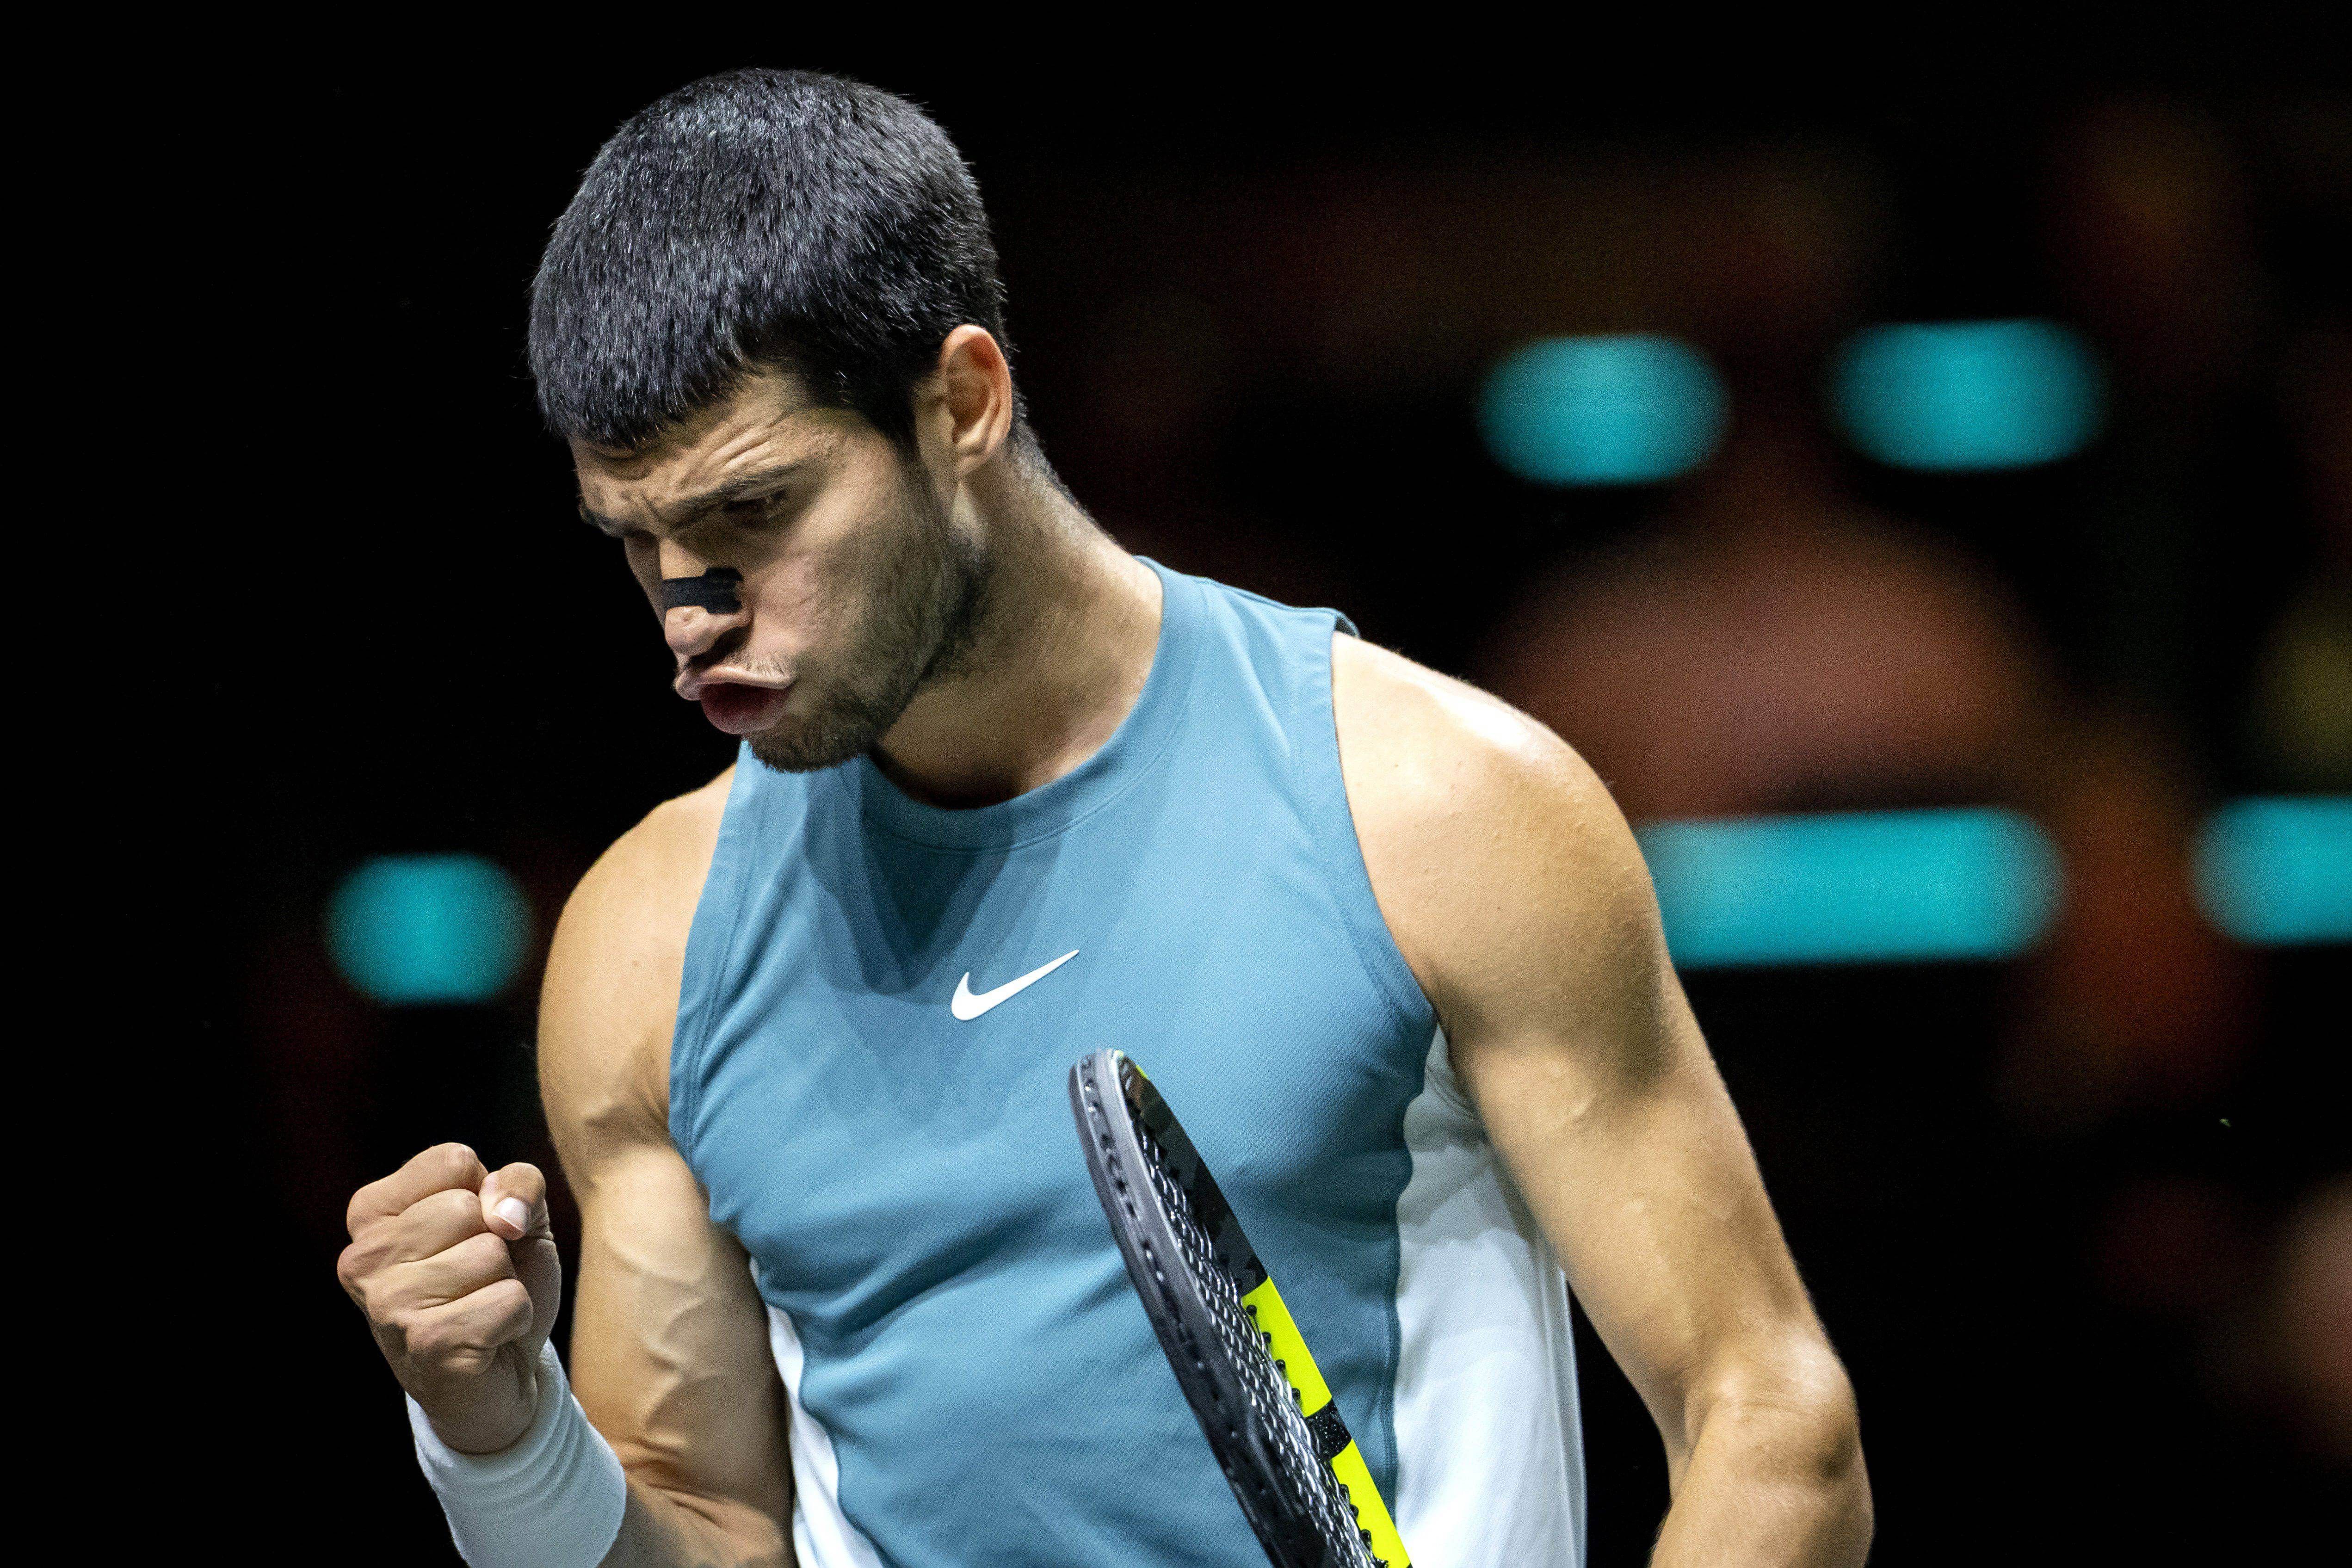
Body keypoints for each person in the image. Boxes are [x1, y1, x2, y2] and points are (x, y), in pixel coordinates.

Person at [334, 69, 1870, 1568]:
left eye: (754, 512)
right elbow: (707, 1526)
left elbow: (1770, 1429)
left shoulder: (1435, 809)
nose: (691, 612)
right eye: (640, 540)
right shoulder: (648, 942)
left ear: (962, 406)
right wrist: (503, 1435)